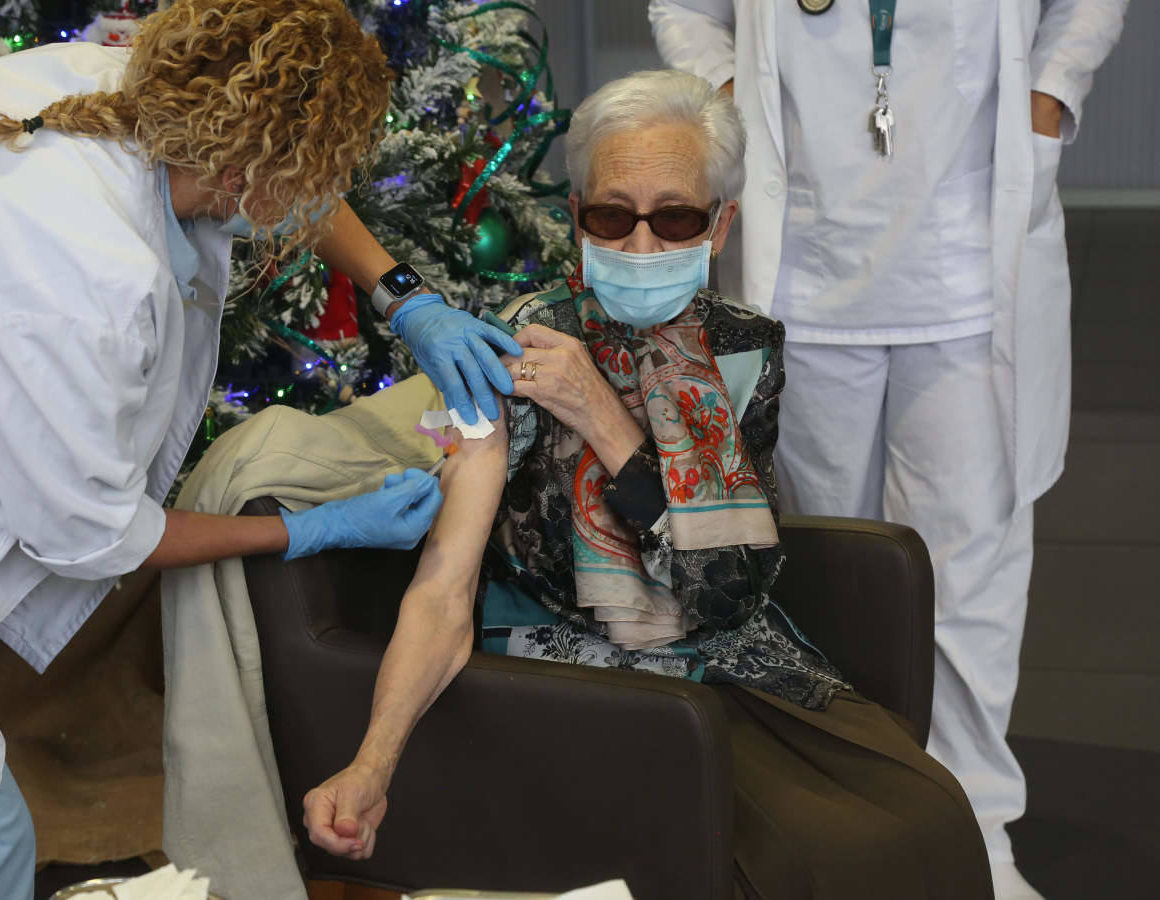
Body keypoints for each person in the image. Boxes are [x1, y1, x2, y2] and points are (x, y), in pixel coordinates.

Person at [0, 2, 520, 898]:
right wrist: (310, 532)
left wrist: (401, 295)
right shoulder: (85, 273)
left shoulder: (122, 86)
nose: (314, 203)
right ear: (251, 169)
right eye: (310, 178)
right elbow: (89, 534)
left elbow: (287, 158)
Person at [299, 70, 993, 899]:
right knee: (781, 864)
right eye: (610, 216)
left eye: (673, 218)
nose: (640, 247)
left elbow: (727, 589)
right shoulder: (515, 353)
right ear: (575, 220)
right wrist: (372, 764)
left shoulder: (743, 348)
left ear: (719, 225)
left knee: (920, 816)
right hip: (569, 680)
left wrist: (602, 413)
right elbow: (444, 589)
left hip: (724, 656)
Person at [647, 2, 1128, 896]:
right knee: (826, 569)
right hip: (807, 271)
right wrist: (726, 92)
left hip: (968, 269)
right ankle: (853, 820)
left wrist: (1050, 91)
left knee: (970, 574)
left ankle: (976, 833)